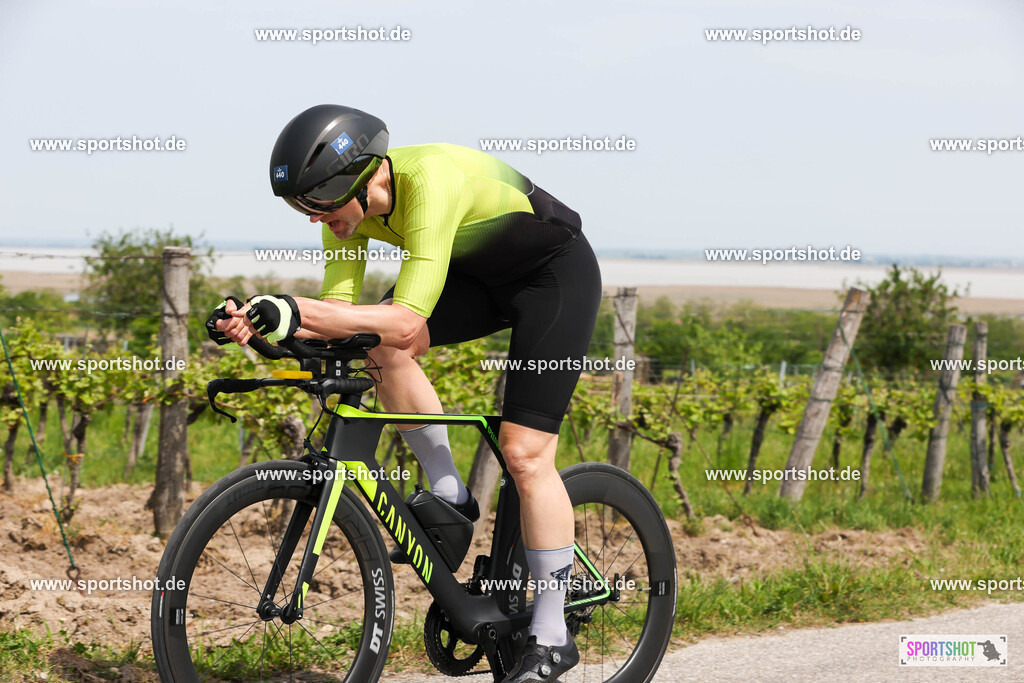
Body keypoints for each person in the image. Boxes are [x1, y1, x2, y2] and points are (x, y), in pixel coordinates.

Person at [214, 104, 601, 682]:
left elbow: (404, 320)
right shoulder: (343, 215)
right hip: (474, 278)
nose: (313, 219)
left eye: (316, 204)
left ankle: (551, 634)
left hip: (552, 278)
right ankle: (452, 497)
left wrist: (298, 310)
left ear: (356, 178)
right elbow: (343, 314)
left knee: (524, 453)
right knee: (373, 343)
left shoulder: (431, 182)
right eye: (301, 208)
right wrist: (264, 322)